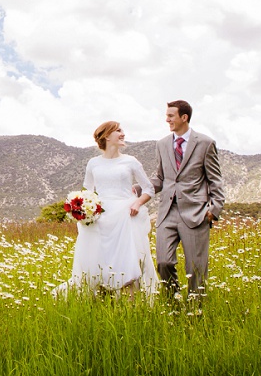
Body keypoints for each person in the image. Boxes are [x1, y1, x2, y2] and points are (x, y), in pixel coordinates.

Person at [54, 120, 157, 298]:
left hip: (125, 216)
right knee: (97, 260)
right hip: (100, 218)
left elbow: (149, 189)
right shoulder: (94, 163)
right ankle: (100, 299)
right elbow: (87, 191)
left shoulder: (131, 161)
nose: (123, 133)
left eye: (122, 130)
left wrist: (137, 203)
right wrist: (83, 209)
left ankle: (130, 306)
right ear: (107, 136)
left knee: (128, 261)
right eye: (118, 130)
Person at [149, 99, 225, 303]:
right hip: (166, 213)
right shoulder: (162, 144)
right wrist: (139, 189)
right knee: (163, 262)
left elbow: (215, 180)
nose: (167, 119)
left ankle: (195, 313)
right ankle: (172, 305)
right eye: (167, 116)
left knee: (196, 269)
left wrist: (213, 210)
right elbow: (160, 178)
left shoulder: (205, 143)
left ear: (184, 117)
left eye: (171, 116)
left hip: (196, 213)